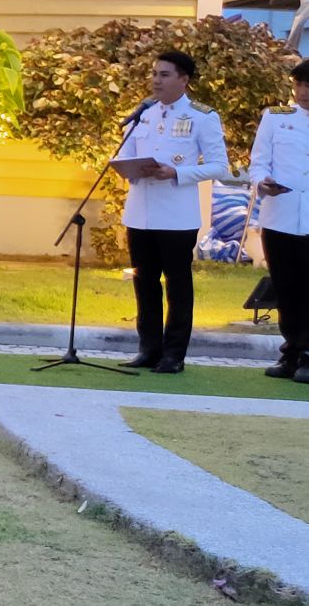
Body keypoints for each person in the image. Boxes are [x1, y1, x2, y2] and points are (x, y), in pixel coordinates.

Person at [119, 49, 229, 374]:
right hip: (140, 213)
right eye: (154, 73)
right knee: (144, 282)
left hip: (176, 216)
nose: (156, 80)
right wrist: (130, 169)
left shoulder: (202, 117)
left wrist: (177, 173)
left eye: (164, 75)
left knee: (177, 285)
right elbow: (124, 155)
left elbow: (219, 166)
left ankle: (174, 354)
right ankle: (148, 348)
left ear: (184, 79)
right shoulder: (143, 114)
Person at [249, 60, 309, 383]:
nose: (303, 92)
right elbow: (257, 162)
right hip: (280, 216)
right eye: (299, 85)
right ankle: (293, 353)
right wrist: (263, 182)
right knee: (286, 288)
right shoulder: (275, 118)